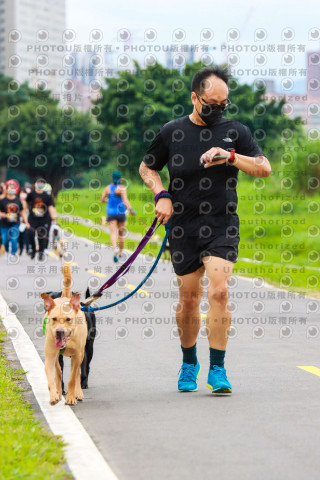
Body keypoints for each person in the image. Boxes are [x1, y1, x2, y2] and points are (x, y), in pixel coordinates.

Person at [139, 66, 271, 394]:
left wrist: (230, 156)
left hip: (222, 224)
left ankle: (217, 368)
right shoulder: (172, 132)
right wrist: (162, 195)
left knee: (220, 291)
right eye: (211, 103)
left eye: (223, 105)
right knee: (188, 298)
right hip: (183, 226)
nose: (218, 110)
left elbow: (264, 167)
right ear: (195, 98)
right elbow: (147, 167)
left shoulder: (235, 132)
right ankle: (188, 362)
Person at [100, 170, 136, 262]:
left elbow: (102, 199)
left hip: (111, 213)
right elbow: (125, 200)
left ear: (112, 178)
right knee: (121, 235)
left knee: (113, 232)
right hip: (121, 213)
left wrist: (108, 201)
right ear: (121, 179)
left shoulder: (107, 188)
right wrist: (131, 210)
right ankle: (120, 254)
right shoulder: (122, 188)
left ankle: (115, 248)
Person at [26, 177, 57, 261]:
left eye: (42, 183)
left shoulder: (47, 196)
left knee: (42, 236)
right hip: (33, 218)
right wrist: (24, 217)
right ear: (35, 184)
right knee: (30, 234)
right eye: (39, 182)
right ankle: (33, 249)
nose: (40, 184)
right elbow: (25, 204)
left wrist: (54, 219)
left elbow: (51, 207)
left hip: (44, 219)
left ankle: (41, 252)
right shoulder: (31, 195)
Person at [0, 179, 29, 257]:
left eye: (13, 188)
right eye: (10, 188)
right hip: (4, 224)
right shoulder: (2, 200)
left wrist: (26, 222)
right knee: (5, 240)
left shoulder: (18, 201)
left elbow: (22, 212)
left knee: (14, 238)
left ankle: (13, 253)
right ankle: (6, 250)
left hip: (15, 223)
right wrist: (2, 214)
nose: (11, 189)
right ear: (6, 189)